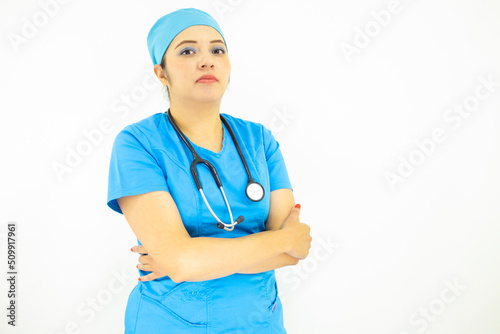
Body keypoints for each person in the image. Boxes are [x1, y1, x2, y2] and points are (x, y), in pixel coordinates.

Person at [106, 7, 312, 333]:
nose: (207, 60)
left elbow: (291, 254)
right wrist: (284, 238)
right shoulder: (137, 143)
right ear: (161, 73)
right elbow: (290, 243)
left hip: (260, 322)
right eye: (188, 51)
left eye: (217, 49)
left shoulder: (260, 140)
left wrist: (189, 261)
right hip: (170, 323)